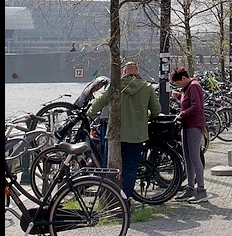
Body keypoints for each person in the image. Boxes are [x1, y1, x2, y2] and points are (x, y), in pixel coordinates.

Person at [89, 60, 161, 207]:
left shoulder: (115, 86)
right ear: (138, 73)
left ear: (123, 73)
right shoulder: (147, 87)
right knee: (130, 168)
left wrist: (89, 112)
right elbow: (156, 110)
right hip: (137, 136)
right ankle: (125, 199)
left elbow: (98, 104)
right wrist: (144, 118)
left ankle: (109, 199)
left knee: (109, 168)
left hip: (116, 135)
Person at [170, 66, 209, 203]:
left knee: (194, 157)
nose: (178, 85)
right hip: (187, 125)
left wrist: (183, 114)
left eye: (178, 83)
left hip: (194, 125)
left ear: (184, 78)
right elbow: (188, 102)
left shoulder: (193, 86)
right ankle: (190, 187)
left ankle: (201, 190)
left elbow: (196, 106)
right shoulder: (187, 88)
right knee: (187, 157)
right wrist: (180, 96)